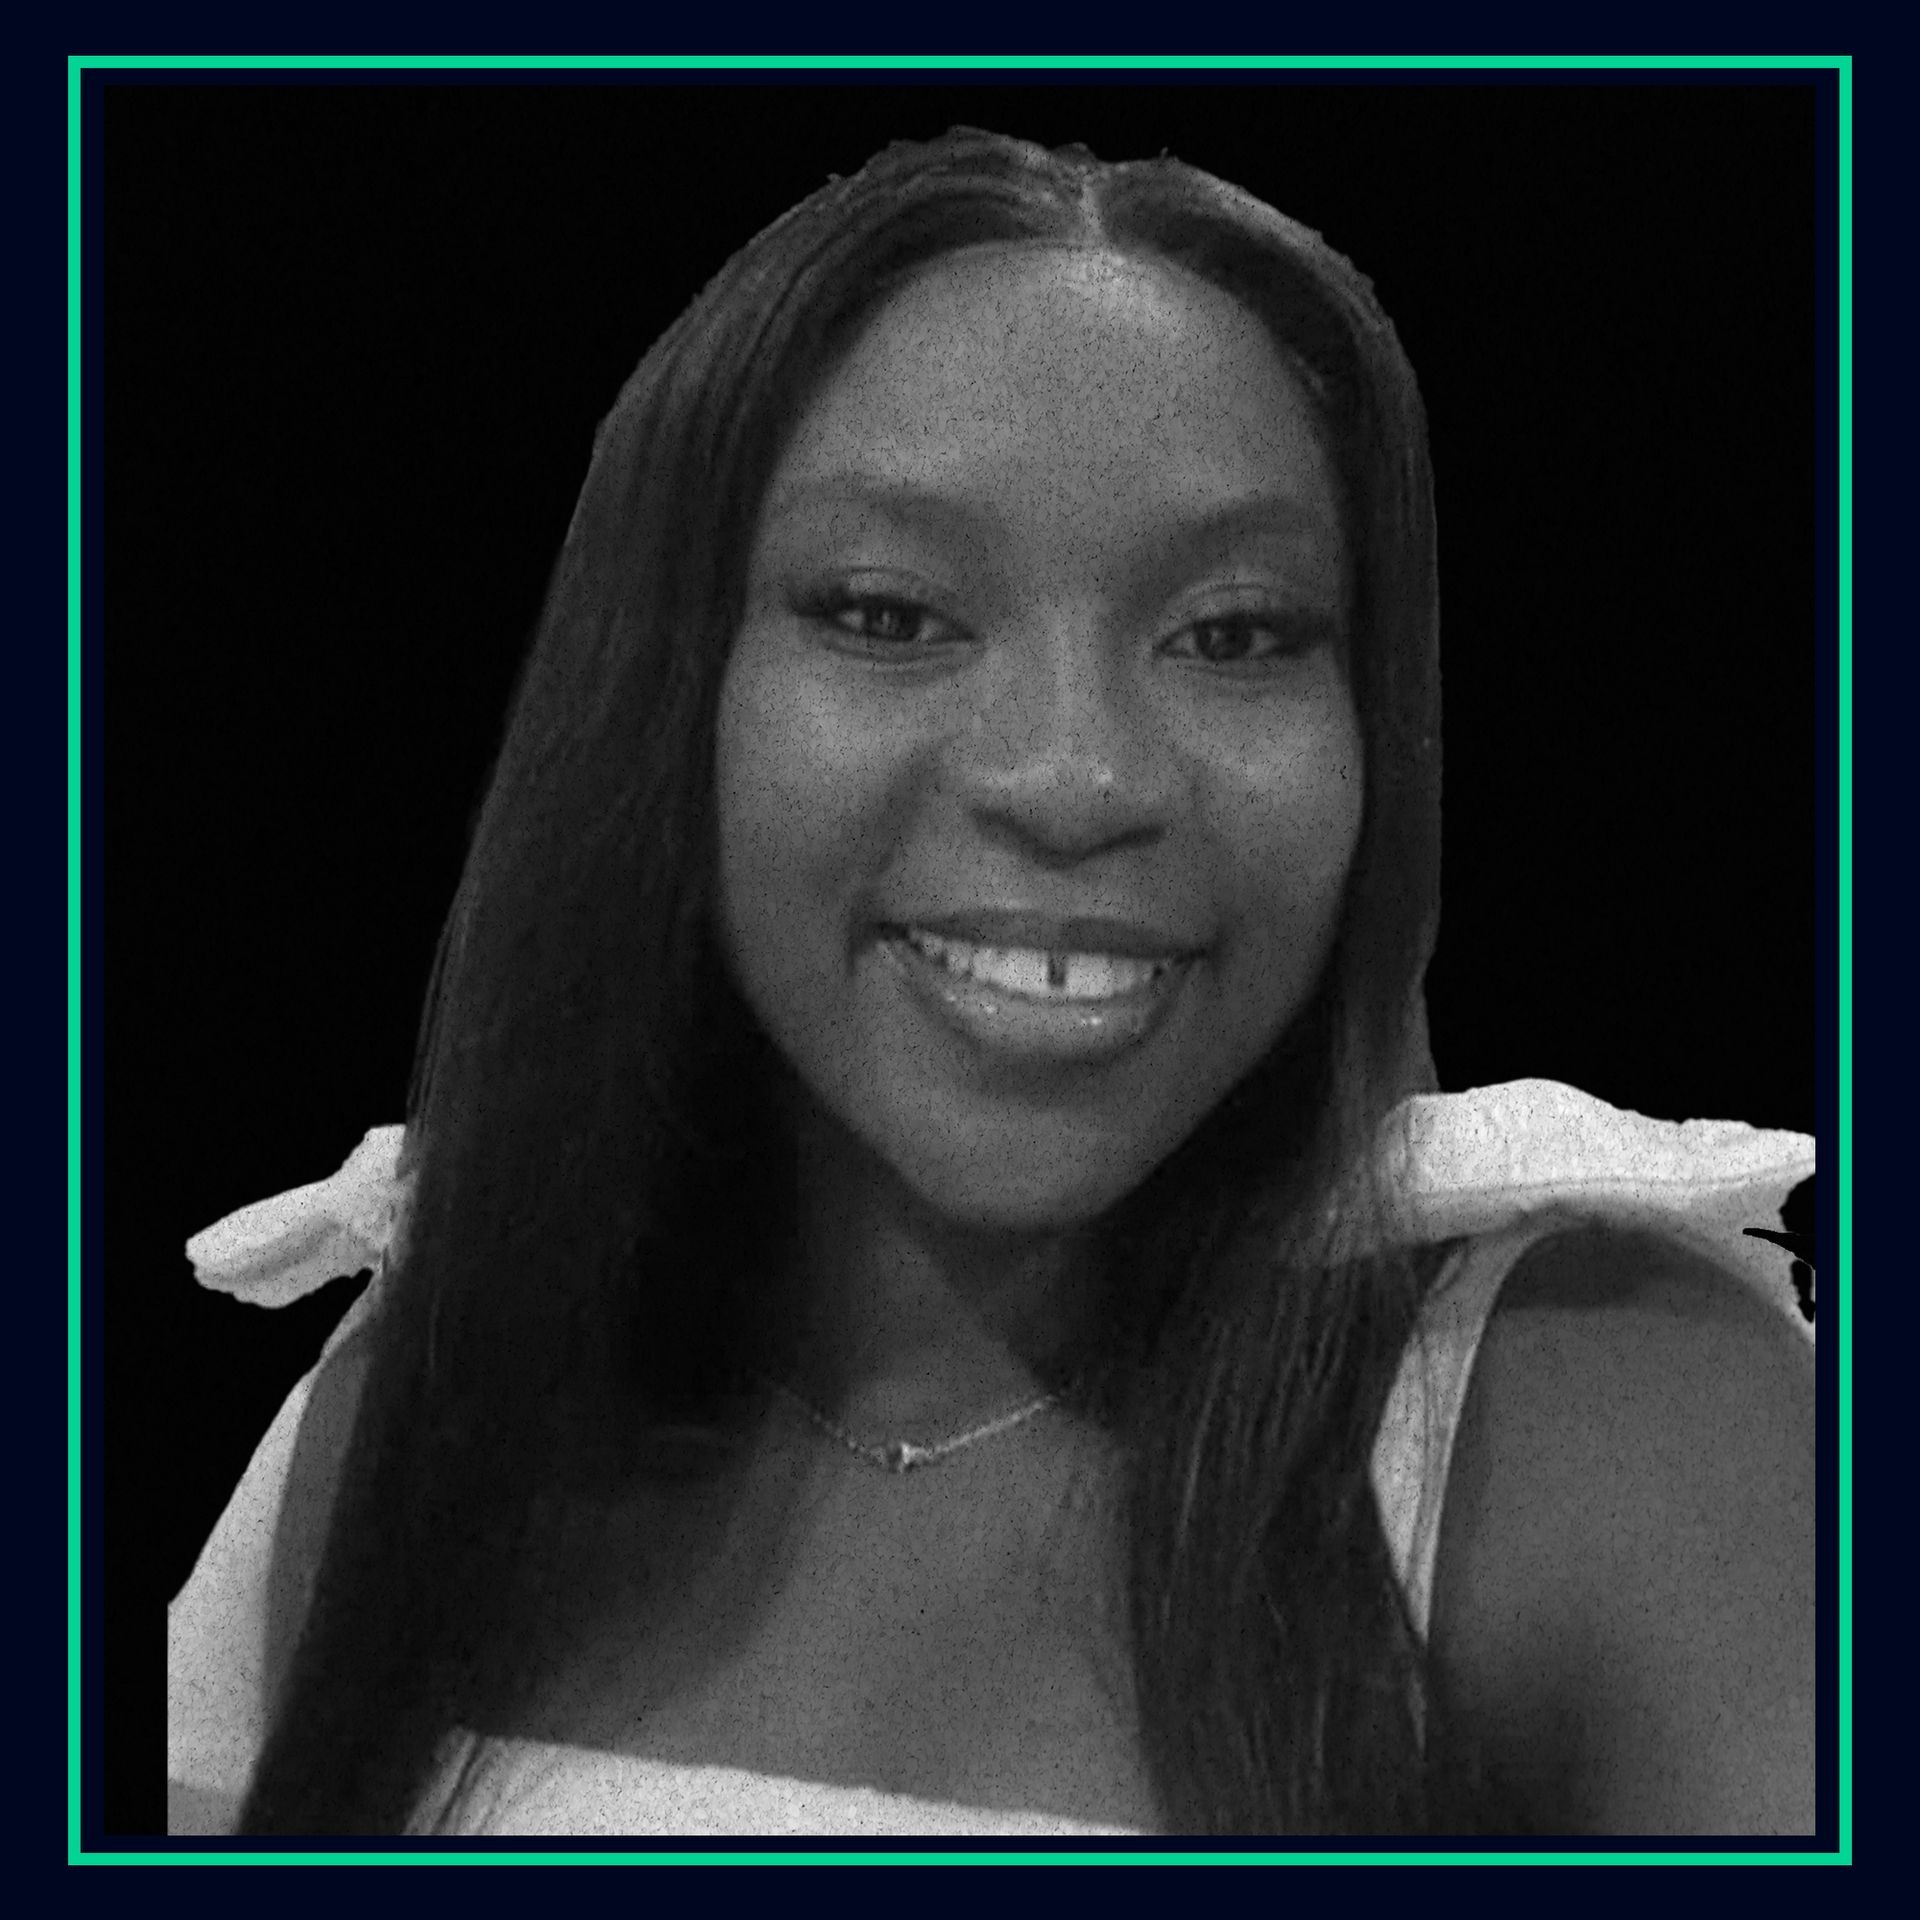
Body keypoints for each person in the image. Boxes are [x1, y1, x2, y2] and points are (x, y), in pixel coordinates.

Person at [165, 127, 1815, 1840]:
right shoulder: (421, 1414)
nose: (1080, 777)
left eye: (1238, 633)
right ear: (672, 693)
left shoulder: (1607, 1419)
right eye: (889, 612)